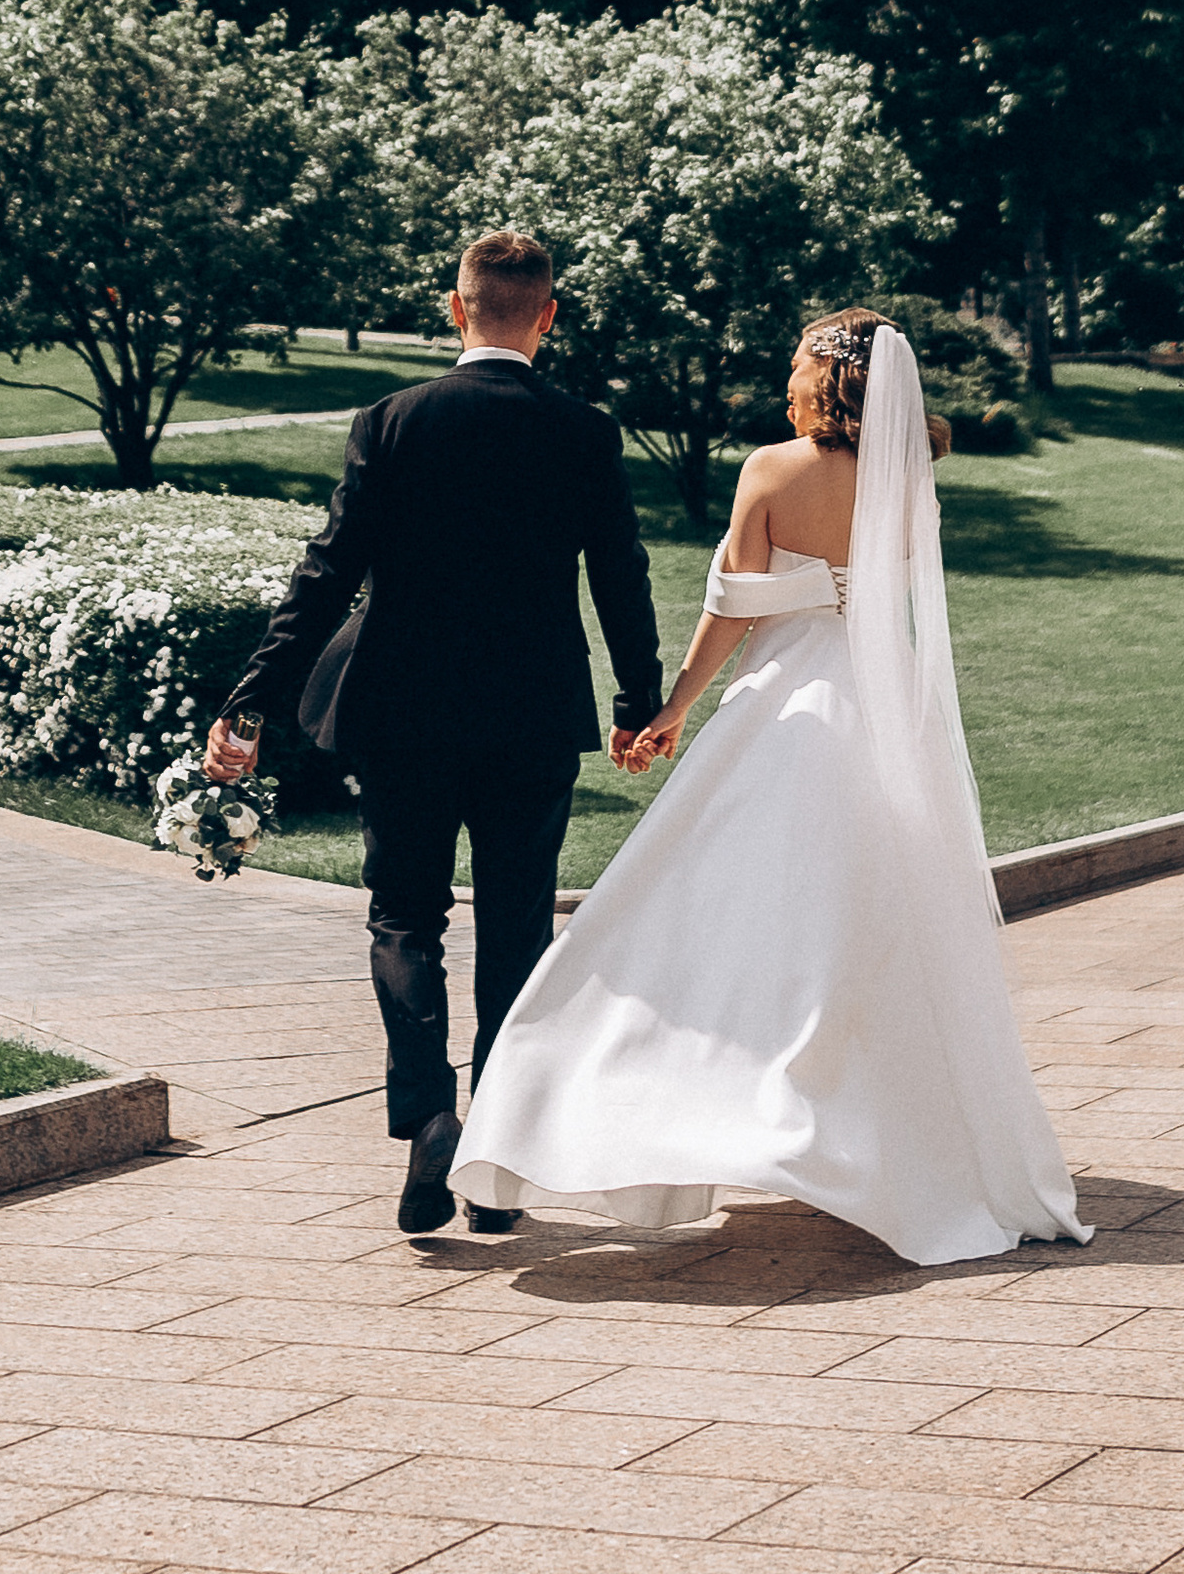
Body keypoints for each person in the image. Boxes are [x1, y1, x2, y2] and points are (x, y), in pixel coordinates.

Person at [451, 309, 1089, 1266]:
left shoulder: (772, 469)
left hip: (786, 711)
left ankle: (709, 1110)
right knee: (866, 931)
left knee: (692, 919)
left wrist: (668, 712)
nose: (785, 372)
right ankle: (875, 1136)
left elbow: (733, 608)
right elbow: (872, 595)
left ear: (827, 378)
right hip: (874, 715)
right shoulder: (907, 479)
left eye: (797, 359)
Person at [204, 229, 663, 1237]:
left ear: (455, 308)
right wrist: (640, 700)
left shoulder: (392, 422)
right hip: (531, 715)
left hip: (401, 712)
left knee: (404, 916)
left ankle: (427, 1115)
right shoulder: (583, 431)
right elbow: (618, 576)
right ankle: (494, 1164)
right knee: (514, 930)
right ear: (546, 315)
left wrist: (251, 700)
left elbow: (325, 573)